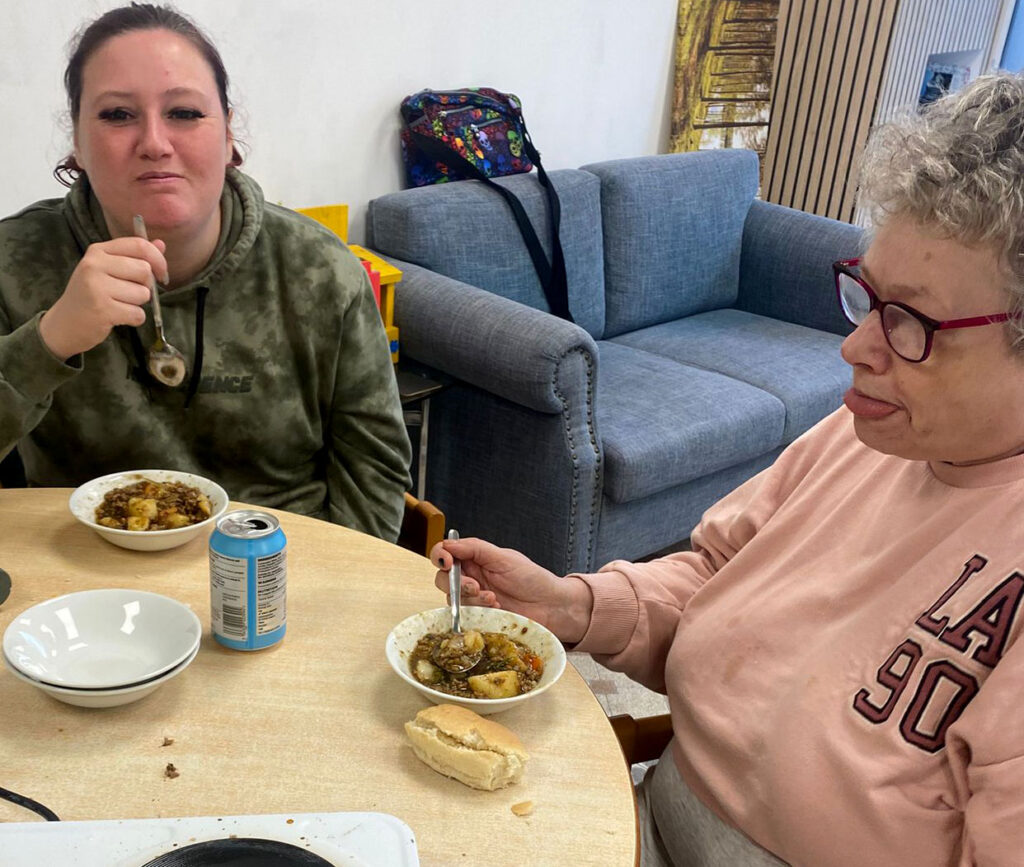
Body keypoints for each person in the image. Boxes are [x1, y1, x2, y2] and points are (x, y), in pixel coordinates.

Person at [432, 72, 1024, 867]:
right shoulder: (864, 437)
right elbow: (715, 573)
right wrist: (572, 604)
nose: (854, 348)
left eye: (909, 322)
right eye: (867, 297)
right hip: (643, 817)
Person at [0, 4, 411, 540]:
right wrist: (51, 340)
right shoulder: (15, 262)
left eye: (185, 113)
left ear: (227, 132)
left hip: (277, 578)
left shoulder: (320, 269)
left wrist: (322, 600)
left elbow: (373, 474)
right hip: (80, 590)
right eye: (117, 115)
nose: (154, 142)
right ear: (77, 140)